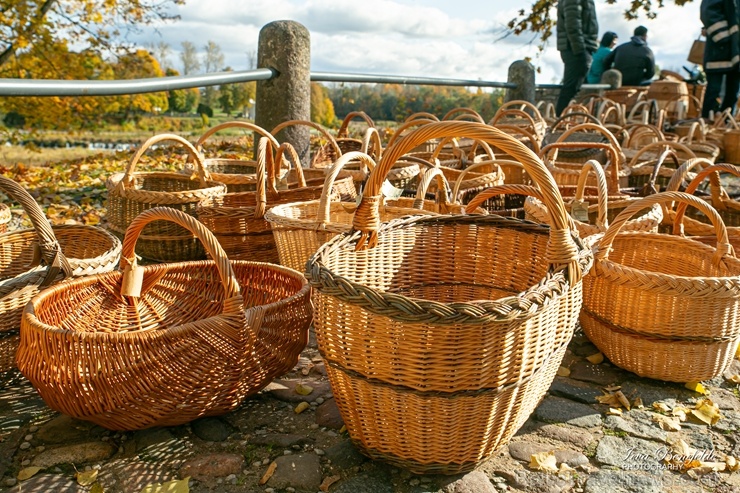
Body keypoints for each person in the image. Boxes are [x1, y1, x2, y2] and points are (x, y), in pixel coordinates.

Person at [555, 0, 599, 116]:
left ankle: (563, 121)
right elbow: (572, 24)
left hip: (578, 47)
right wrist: (580, 50)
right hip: (576, 49)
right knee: (571, 88)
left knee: (573, 88)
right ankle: (560, 122)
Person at [700, 0, 740, 119]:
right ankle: (706, 127)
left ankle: (725, 125)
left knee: (733, 93)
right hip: (720, 51)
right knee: (714, 90)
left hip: (734, 50)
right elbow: (708, 12)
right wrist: (724, 38)